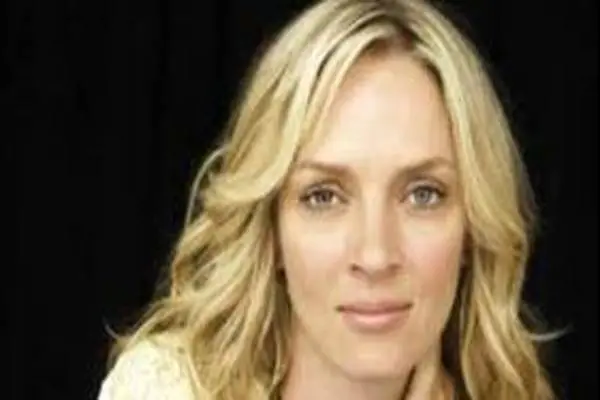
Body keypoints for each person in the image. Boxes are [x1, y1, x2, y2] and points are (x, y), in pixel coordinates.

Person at [97, 0, 559, 399]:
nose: (375, 256)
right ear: (271, 229)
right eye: (323, 196)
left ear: (473, 228)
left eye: (423, 194)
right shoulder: (162, 388)